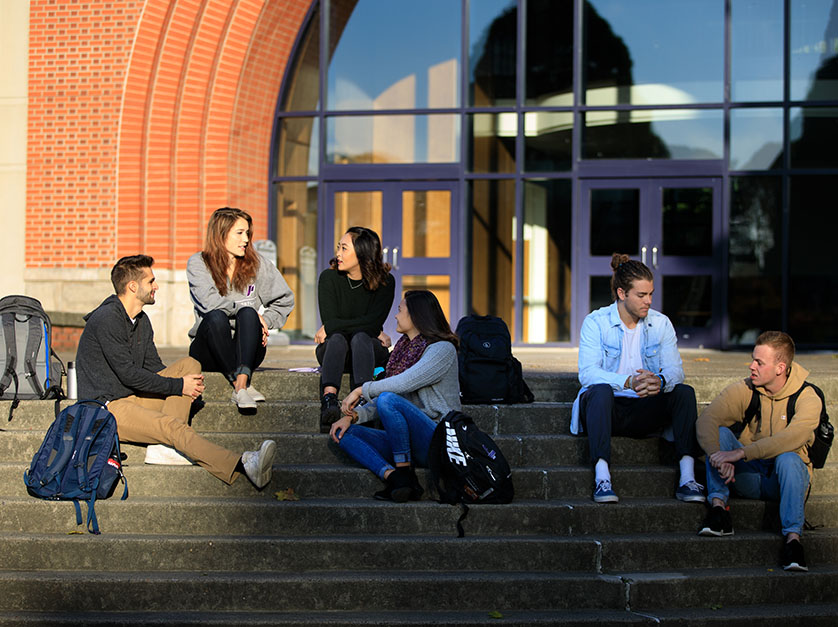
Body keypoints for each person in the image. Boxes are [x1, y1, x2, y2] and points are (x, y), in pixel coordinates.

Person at [76, 254, 276, 488]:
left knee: (189, 365)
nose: (156, 286)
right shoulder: (106, 319)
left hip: (132, 396)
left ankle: (165, 448)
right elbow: (128, 374)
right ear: (132, 286)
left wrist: (179, 384)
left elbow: (154, 368)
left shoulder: (140, 320)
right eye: (151, 281)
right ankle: (243, 463)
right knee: (171, 425)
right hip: (107, 409)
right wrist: (179, 387)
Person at [571, 253, 704, 505]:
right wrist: (627, 382)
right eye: (641, 296)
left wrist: (661, 381)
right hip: (609, 411)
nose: (648, 301)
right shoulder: (596, 322)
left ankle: (687, 478)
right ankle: (602, 478)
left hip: (646, 406)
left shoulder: (661, 323)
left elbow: (676, 370)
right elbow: (587, 373)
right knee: (598, 391)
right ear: (622, 294)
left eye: (651, 294)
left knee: (684, 392)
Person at [696, 331, 818, 572]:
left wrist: (740, 454)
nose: (751, 366)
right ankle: (719, 510)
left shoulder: (808, 397)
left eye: (759, 362)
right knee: (720, 435)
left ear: (780, 368)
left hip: (785, 481)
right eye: (753, 359)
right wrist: (719, 457)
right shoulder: (746, 389)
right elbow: (706, 420)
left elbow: (791, 438)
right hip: (747, 476)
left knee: (789, 458)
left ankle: (793, 542)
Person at [329, 290, 460, 502]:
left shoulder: (442, 350)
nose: (396, 316)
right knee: (342, 433)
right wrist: (352, 417)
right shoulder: (403, 351)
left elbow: (403, 383)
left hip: (437, 438)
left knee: (387, 399)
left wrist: (361, 389)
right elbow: (393, 394)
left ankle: (405, 473)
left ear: (416, 315)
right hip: (407, 440)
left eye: (400, 310)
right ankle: (395, 477)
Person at [187, 207, 294, 410]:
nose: (246, 239)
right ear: (220, 234)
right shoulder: (198, 263)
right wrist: (248, 311)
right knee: (219, 316)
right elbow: (210, 303)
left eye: (247, 233)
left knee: (247, 313)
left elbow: (285, 299)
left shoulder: (257, 263)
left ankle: (240, 385)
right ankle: (242, 385)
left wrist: (266, 321)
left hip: (247, 349)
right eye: (239, 233)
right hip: (209, 349)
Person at [316, 226, 395, 432]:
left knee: (360, 337)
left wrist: (334, 325)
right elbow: (332, 322)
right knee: (338, 339)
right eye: (338, 248)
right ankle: (329, 400)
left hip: (368, 351)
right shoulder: (329, 278)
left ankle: (362, 399)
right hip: (335, 351)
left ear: (362, 253)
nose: (338, 254)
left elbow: (371, 324)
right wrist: (336, 326)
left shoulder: (385, 281)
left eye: (344, 249)